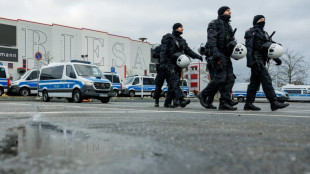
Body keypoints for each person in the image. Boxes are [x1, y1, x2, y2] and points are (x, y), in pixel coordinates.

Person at [244, 15, 289, 111]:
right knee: (266, 80)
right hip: (256, 60)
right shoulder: (251, 32)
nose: (262, 21)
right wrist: (250, 61)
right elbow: (249, 47)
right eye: (260, 19)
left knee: (254, 84)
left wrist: (276, 58)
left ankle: (248, 104)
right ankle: (273, 102)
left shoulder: (265, 34)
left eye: (264, 20)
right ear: (255, 21)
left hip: (262, 60)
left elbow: (270, 47)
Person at [199, 6, 238, 110]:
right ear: (222, 12)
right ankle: (203, 95)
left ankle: (224, 102)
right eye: (227, 10)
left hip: (226, 55)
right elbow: (211, 39)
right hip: (218, 54)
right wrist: (215, 53)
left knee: (230, 78)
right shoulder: (214, 23)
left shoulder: (228, 26)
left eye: (230, 10)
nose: (230, 12)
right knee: (220, 78)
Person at [161, 23, 203, 108]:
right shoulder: (169, 38)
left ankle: (167, 103)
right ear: (176, 28)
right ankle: (181, 99)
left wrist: (197, 56)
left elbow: (188, 51)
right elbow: (163, 51)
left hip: (178, 64)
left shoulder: (182, 41)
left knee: (173, 83)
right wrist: (162, 63)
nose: (182, 29)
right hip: (169, 64)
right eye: (180, 27)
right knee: (175, 81)